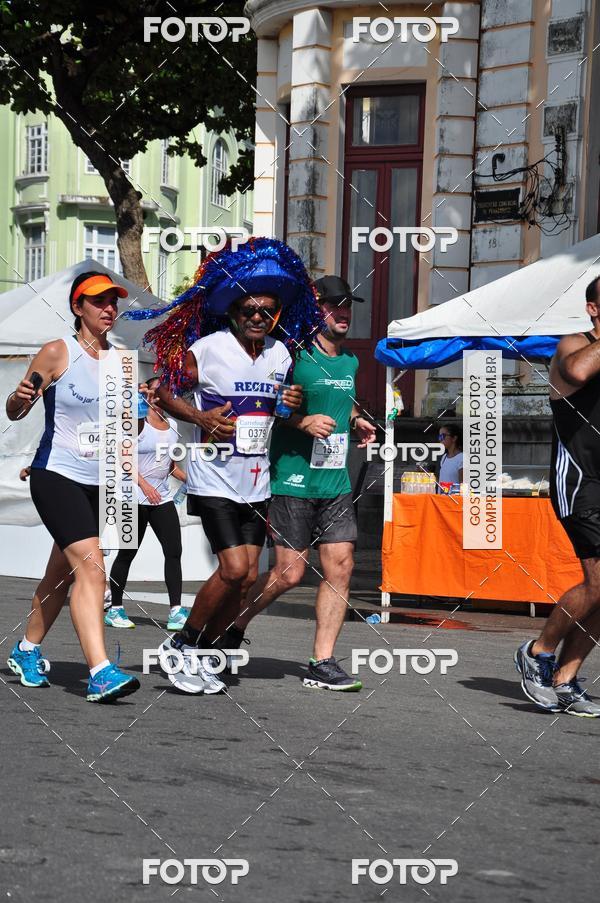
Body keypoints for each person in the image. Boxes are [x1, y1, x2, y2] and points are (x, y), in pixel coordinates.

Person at [124, 237, 320, 694]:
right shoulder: (208, 348)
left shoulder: (281, 354)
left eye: (266, 311)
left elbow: (277, 410)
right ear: (233, 312)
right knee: (233, 569)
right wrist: (199, 417)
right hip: (213, 478)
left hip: (256, 483)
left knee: (250, 575)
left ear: (275, 315)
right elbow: (164, 390)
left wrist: (293, 404)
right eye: (248, 309)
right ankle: (183, 642)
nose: (257, 317)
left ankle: (208, 650)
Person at [228, 274, 377, 691]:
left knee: (341, 566)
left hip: (335, 483)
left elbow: (340, 407)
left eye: (347, 306)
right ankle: (233, 626)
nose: (343, 313)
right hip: (293, 480)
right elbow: (268, 407)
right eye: (333, 306)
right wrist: (301, 421)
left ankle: (322, 660)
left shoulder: (350, 362)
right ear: (316, 310)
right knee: (288, 575)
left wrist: (358, 421)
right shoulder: (293, 356)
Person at [5, 271, 140, 702]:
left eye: (113, 302)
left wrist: (137, 411)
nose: (108, 309)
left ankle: (26, 649)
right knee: (92, 567)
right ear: (78, 308)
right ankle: (100, 672)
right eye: (98, 302)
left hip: (102, 481)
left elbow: (128, 430)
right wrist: (21, 397)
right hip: (56, 475)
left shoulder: (121, 360)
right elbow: (14, 410)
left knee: (61, 575)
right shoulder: (56, 352)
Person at [515, 275, 600, 717]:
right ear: (593, 309)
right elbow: (579, 372)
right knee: (598, 580)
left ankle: (565, 679)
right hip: (580, 479)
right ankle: (538, 651)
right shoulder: (572, 344)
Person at [104, 377, 188, 630]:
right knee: (127, 553)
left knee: (173, 551)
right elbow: (123, 457)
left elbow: (170, 464)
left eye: (165, 393)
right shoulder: (136, 423)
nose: (160, 396)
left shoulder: (172, 425)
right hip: (132, 496)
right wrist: (144, 485)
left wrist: (192, 479)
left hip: (161, 498)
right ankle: (115, 608)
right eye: (156, 392)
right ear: (149, 395)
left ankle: (175, 611)